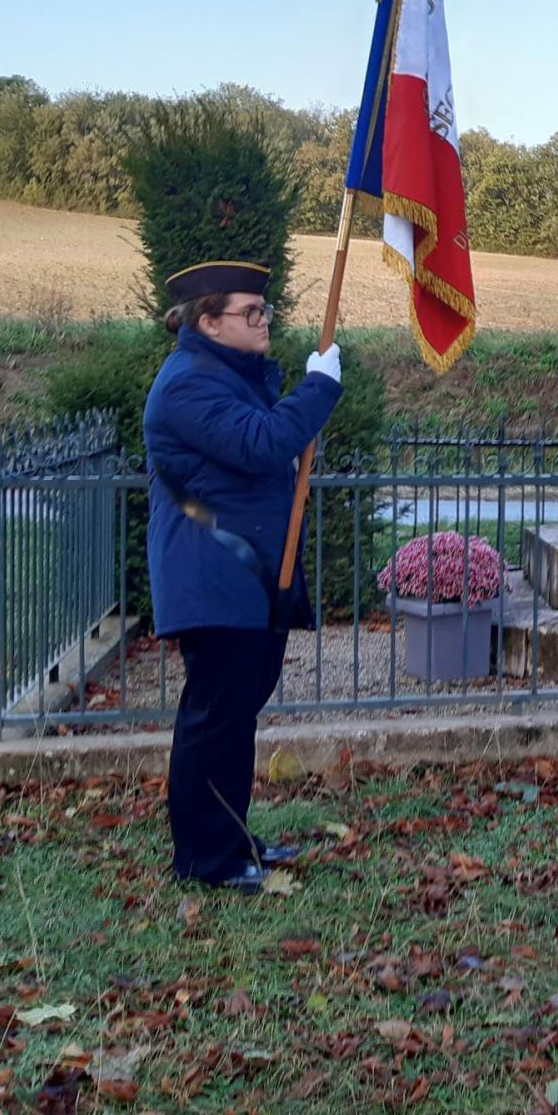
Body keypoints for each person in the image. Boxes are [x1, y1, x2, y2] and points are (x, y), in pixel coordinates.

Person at [144, 260, 343, 893]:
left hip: (248, 580)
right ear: (208, 320)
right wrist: (317, 389)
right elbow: (261, 443)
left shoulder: (228, 374)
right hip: (215, 577)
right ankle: (205, 860)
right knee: (214, 719)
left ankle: (229, 837)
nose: (264, 322)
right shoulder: (187, 384)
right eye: (250, 313)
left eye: (266, 311)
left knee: (235, 716)